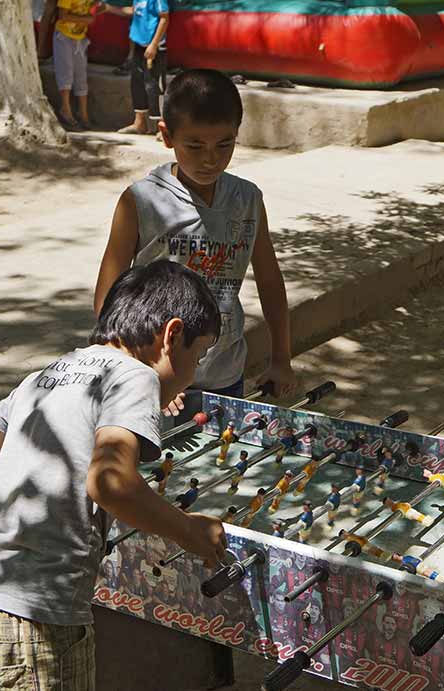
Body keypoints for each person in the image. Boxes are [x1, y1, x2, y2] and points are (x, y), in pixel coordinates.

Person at [0, 260, 230, 689]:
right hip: (36, 623)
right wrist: (189, 531)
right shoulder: (135, 377)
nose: (193, 375)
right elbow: (110, 482)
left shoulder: (46, 376)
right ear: (171, 336)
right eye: (198, 355)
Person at [95, 69, 297, 428]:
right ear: (167, 136)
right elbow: (108, 297)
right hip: (153, 375)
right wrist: (142, 371)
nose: (211, 160)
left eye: (224, 145)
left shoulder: (247, 200)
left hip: (224, 372)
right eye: (195, 146)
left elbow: (269, 281)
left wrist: (281, 358)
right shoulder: (140, 201)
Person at [104, 0, 169, 135]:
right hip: (139, 44)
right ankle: (139, 123)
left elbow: (164, 19)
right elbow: (135, 11)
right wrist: (109, 8)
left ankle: (162, 127)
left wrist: (154, 45)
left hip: (155, 48)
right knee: (137, 83)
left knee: (155, 86)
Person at [52, 0, 102, 130]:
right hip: (64, 36)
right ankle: (66, 109)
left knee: (81, 76)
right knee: (65, 72)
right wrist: (86, 19)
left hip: (80, 37)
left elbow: (96, 10)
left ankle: (83, 114)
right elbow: (62, 15)